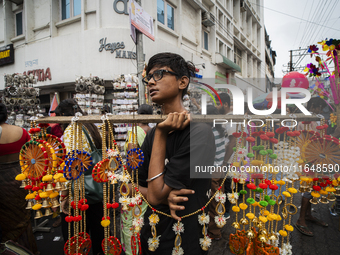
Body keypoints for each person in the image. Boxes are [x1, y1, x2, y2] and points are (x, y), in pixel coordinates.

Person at [138, 52, 215, 254]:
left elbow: (152, 195)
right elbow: (135, 185)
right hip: (153, 232)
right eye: (149, 78)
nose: (151, 82)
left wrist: (162, 133)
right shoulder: (153, 133)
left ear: (182, 82)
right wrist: (164, 197)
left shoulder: (199, 132)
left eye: (160, 74)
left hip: (185, 236)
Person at [52, 99, 104, 255]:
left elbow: (70, 167)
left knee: (75, 238)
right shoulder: (90, 127)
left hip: (78, 194)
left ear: (63, 115)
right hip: (96, 189)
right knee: (98, 234)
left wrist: (63, 196)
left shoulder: (71, 131)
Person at [0, 103, 38, 254]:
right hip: (19, 179)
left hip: (2, 183)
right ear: (6, 115)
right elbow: (31, 155)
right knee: (22, 219)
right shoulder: (21, 132)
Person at [121, 104, 152, 254]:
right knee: (144, 219)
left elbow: (132, 158)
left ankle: (132, 250)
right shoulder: (153, 132)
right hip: (149, 178)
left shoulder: (134, 132)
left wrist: (129, 181)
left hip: (136, 179)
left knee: (131, 221)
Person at [295, 97, 328, 237]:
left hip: (317, 158)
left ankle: (308, 215)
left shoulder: (318, 120)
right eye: (319, 108)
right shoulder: (303, 121)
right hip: (307, 159)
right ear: (313, 106)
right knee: (307, 190)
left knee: (314, 188)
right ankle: (300, 219)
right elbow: (299, 142)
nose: (321, 111)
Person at [206, 105, 226, 240]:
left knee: (213, 202)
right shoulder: (220, 130)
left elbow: (210, 154)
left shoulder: (210, 132)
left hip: (213, 170)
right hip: (220, 169)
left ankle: (214, 232)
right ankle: (218, 227)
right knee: (219, 201)